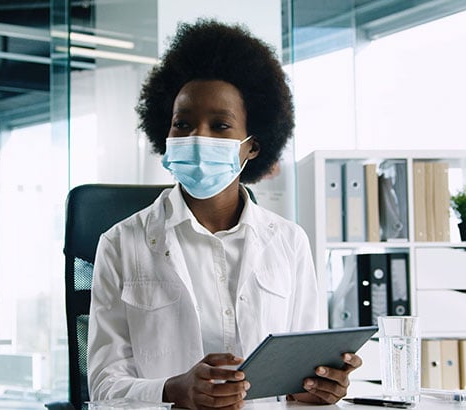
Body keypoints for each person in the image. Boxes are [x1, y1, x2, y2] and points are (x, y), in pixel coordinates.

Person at [87, 19, 362, 408]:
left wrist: (319, 386)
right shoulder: (121, 243)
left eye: (220, 126)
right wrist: (174, 390)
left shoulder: (288, 242)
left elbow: (302, 378)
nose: (198, 137)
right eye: (182, 124)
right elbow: (103, 386)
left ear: (252, 146)